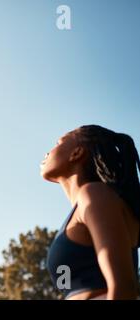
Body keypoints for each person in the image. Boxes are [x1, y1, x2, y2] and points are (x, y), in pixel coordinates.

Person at [43, 125, 140, 299]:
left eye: (58, 143)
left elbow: (125, 287)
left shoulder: (94, 194)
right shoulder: (81, 208)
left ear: (76, 153)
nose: (47, 153)